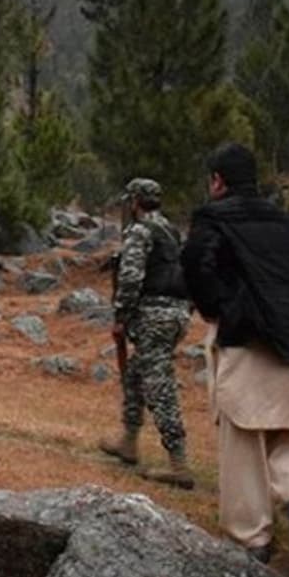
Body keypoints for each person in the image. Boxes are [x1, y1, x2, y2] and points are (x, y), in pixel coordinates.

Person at [181, 142, 289, 564]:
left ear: (218, 181)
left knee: (243, 443)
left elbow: (194, 262)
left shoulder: (213, 218)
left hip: (246, 341)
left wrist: (217, 309)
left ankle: (252, 539)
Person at [98, 178, 194, 489]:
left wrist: (121, 316)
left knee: (159, 385)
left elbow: (131, 277)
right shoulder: (170, 231)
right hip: (177, 313)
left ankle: (179, 463)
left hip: (154, 315)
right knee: (135, 373)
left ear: (135, 201)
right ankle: (128, 440)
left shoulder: (140, 232)